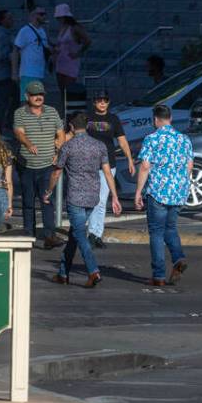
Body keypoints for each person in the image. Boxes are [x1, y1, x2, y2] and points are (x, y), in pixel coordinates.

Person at [45, 113, 122, 287]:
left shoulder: (68, 147)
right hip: (92, 196)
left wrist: (48, 191)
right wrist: (114, 196)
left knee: (80, 235)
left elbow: (57, 171)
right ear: (86, 127)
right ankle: (63, 273)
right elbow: (108, 172)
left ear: (71, 127)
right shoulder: (99, 146)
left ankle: (93, 270)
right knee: (74, 235)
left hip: (75, 198)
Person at [134, 104, 192, 287]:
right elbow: (189, 166)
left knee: (157, 233)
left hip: (158, 192)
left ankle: (158, 274)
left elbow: (144, 166)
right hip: (178, 192)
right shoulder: (184, 139)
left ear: (155, 120)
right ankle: (178, 258)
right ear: (171, 118)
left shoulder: (152, 139)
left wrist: (138, 192)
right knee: (171, 228)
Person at [13, 80, 66, 249]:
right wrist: (28, 144)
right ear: (27, 96)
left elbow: (61, 133)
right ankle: (29, 234)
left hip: (46, 166)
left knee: (47, 200)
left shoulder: (52, 112)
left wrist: (58, 152)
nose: (38, 97)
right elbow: (18, 132)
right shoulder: (20, 113)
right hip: (27, 165)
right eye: (35, 95)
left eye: (41, 94)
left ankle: (49, 235)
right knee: (28, 201)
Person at [85, 89, 134, 248]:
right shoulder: (87, 118)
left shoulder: (113, 119)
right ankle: (92, 233)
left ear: (108, 102)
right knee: (92, 199)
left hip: (108, 165)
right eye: (99, 100)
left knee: (101, 201)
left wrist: (130, 160)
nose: (102, 103)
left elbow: (122, 141)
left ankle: (96, 234)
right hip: (89, 164)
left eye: (105, 100)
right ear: (94, 102)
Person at [53, 3, 92, 102]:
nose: (58, 19)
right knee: (62, 91)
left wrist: (78, 53)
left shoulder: (75, 28)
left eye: (60, 17)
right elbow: (59, 44)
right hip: (60, 62)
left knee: (69, 90)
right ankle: (65, 114)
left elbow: (88, 41)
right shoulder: (62, 28)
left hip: (70, 62)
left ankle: (71, 114)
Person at [13, 7, 51, 99]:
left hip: (39, 72)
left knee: (37, 101)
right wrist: (14, 72)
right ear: (33, 15)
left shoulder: (42, 31)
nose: (44, 16)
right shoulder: (25, 31)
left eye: (44, 14)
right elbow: (15, 50)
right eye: (41, 14)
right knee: (26, 100)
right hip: (28, 72)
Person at [0, 9, 17, 131]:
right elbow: (2, 55)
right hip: (4, 73)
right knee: (4, 102)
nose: (12, 20)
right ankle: (0, 128)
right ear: (2, 20)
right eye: (9, 18)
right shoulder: (2, 35)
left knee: (11, 99)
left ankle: (5, 125)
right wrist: (15, 55)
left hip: (0, 73)